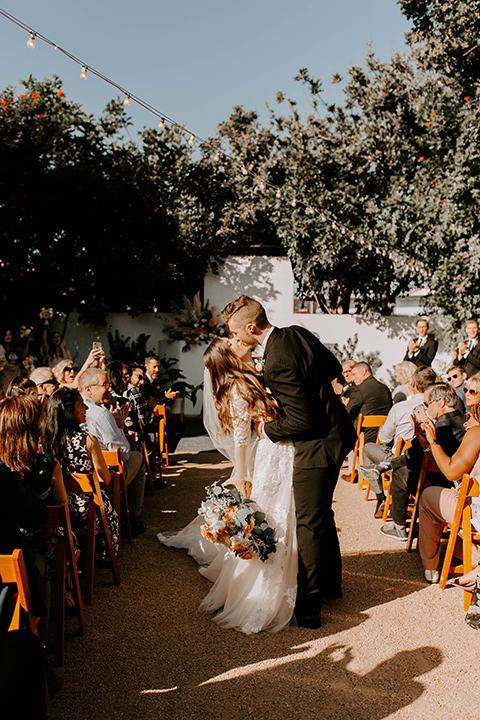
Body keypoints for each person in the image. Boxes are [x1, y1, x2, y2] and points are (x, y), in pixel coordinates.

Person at [222, 295, 356, 628]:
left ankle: (309, 608)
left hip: (318, 445)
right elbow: (333, 368)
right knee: (322, 512)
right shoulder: (296, 332)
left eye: (237, 335)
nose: (236, 341)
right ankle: (331, 585)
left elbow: (303, 421)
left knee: (309, 522)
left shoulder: (277, 359)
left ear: (251, 327)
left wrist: (267, 429)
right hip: (339, 430)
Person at [158, 336, 297, 634]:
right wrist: (241, 475)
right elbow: (240, 437)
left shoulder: (255, 373)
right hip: (269, 456)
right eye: (231, 340)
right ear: (228, 356)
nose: (237, 338)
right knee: (272, 519)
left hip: (281, 451)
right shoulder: (236, 388)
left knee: (285, 516)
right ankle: (257, 594)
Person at [380, 381, 466, 541]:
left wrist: (394, 463)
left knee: (400, 471)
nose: (424, 408)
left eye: (426, 404)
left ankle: (399, 526)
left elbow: (412, 458)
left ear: (441, 402)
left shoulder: (435, 431)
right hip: (463, 484)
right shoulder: (467, 422)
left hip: (438, 486)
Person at [42, 387, 119, 556]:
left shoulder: (43, 442)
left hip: (54, 510)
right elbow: (105, 480)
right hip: (85, 511)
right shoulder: (87, 441)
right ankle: (106, 551)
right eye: (82, 405)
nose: (86, 408)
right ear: (69, 411)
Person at [77, 368, 147, 537]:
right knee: (138, 457)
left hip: (76, 481)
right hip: (102, 480)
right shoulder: (100, 413)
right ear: (88, 389)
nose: (110, 388)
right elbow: (122, 453)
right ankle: (132, 519)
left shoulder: (72, 409)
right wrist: (120, 427)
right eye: (105, 385)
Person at [357, 365, 432, 517]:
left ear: (413, 385)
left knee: (367, 448)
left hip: (400, 460)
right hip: (430, 461)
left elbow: (384, 438)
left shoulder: (400, 407)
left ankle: (381, 498)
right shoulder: (436, 408)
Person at [418, 404, 480, 583]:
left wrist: (433, 440)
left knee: (428, 497)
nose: (465, 423)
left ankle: (431, 567)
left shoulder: (476, 432)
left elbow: (451, 472)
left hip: (474, 513)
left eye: (471, 417)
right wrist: (428, 446)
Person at [346, 362, 393, 443]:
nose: (353, 378)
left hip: (364, 438)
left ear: (363, 371)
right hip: (385, 436)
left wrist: (347, 405)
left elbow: (347, 414)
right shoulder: (385, 388)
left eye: (354, 374)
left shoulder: (358, 390)